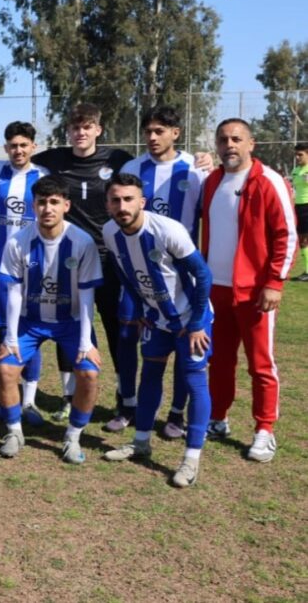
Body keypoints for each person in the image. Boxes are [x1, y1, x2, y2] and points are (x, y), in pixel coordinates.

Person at [100, 173, 213, 487]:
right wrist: (139, 308)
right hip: (156, 320)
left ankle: (191, 459)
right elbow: (124, 274)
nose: (122, 206)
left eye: (128, 199)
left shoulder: (168, 230)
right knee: (149, 376)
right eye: (115, 200)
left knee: (194, 382)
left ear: (142, 202)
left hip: (192, 319)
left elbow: (203, 276)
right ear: (107, 204)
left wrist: (195, 324)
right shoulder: (110, 232)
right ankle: (140, 442)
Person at [28, 104, 132, 423]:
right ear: (68, 131)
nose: (80, 132)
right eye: (75, 127)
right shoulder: (55, 159)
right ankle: (70, 396)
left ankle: (126, 397)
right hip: (70, 259)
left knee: (117, 329)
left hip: (110, 258)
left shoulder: (118, 160)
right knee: (69, 324)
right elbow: (19, 160)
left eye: (87, 126)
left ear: (98, 130)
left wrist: (202, 158)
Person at [200, 119, 296, 463]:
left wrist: (274, 282)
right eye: (224, 139)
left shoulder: (269, 181)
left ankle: (264, 430)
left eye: (237, 139)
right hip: (217, 290)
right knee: (220, 361)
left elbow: (288, 236)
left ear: (251, 143)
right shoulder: (212, 181)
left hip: (256, 292)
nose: (230, 145)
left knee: (261, 363)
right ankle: (218, 418)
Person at [0, 175, 105, 464]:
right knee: (6, 369)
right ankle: (14, 431)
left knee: (90, 373)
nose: (48, 208)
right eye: (42, 202)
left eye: (55, 202)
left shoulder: (82, 242)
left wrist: (85, 342)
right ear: (34, 206)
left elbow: (86, 296)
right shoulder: (19, 241)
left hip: (70, 322)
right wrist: (9, 336)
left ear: (66, 205)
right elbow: (14, 292)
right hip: (29, 322)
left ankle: (72, 436)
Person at [118, 106, 206, 438]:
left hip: (180, 277)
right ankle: (127, 405)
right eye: (148, 131)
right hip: (139, 276)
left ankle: (176, 414)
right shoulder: (132, 168)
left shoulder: (195, 172)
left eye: (160, 131)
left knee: (185, 346)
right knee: (129, 336)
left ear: (176, 133)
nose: (152, 138)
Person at [0, 121, 50, 425]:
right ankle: (4, 396)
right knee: (3, 330)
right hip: (0, 267)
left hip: (34, 266)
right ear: (5, 147)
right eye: (13, 145)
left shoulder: (44, 177)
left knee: (31, 330)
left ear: (33, 147)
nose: (18, 150)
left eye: (24, 145)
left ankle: (30, 401)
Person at [292, 143, 308, 281]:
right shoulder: (296, 170)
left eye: (300, 155)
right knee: (302, 241)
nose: (297, 157)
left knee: (305, 240)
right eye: (296, 155)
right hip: (299, 207)